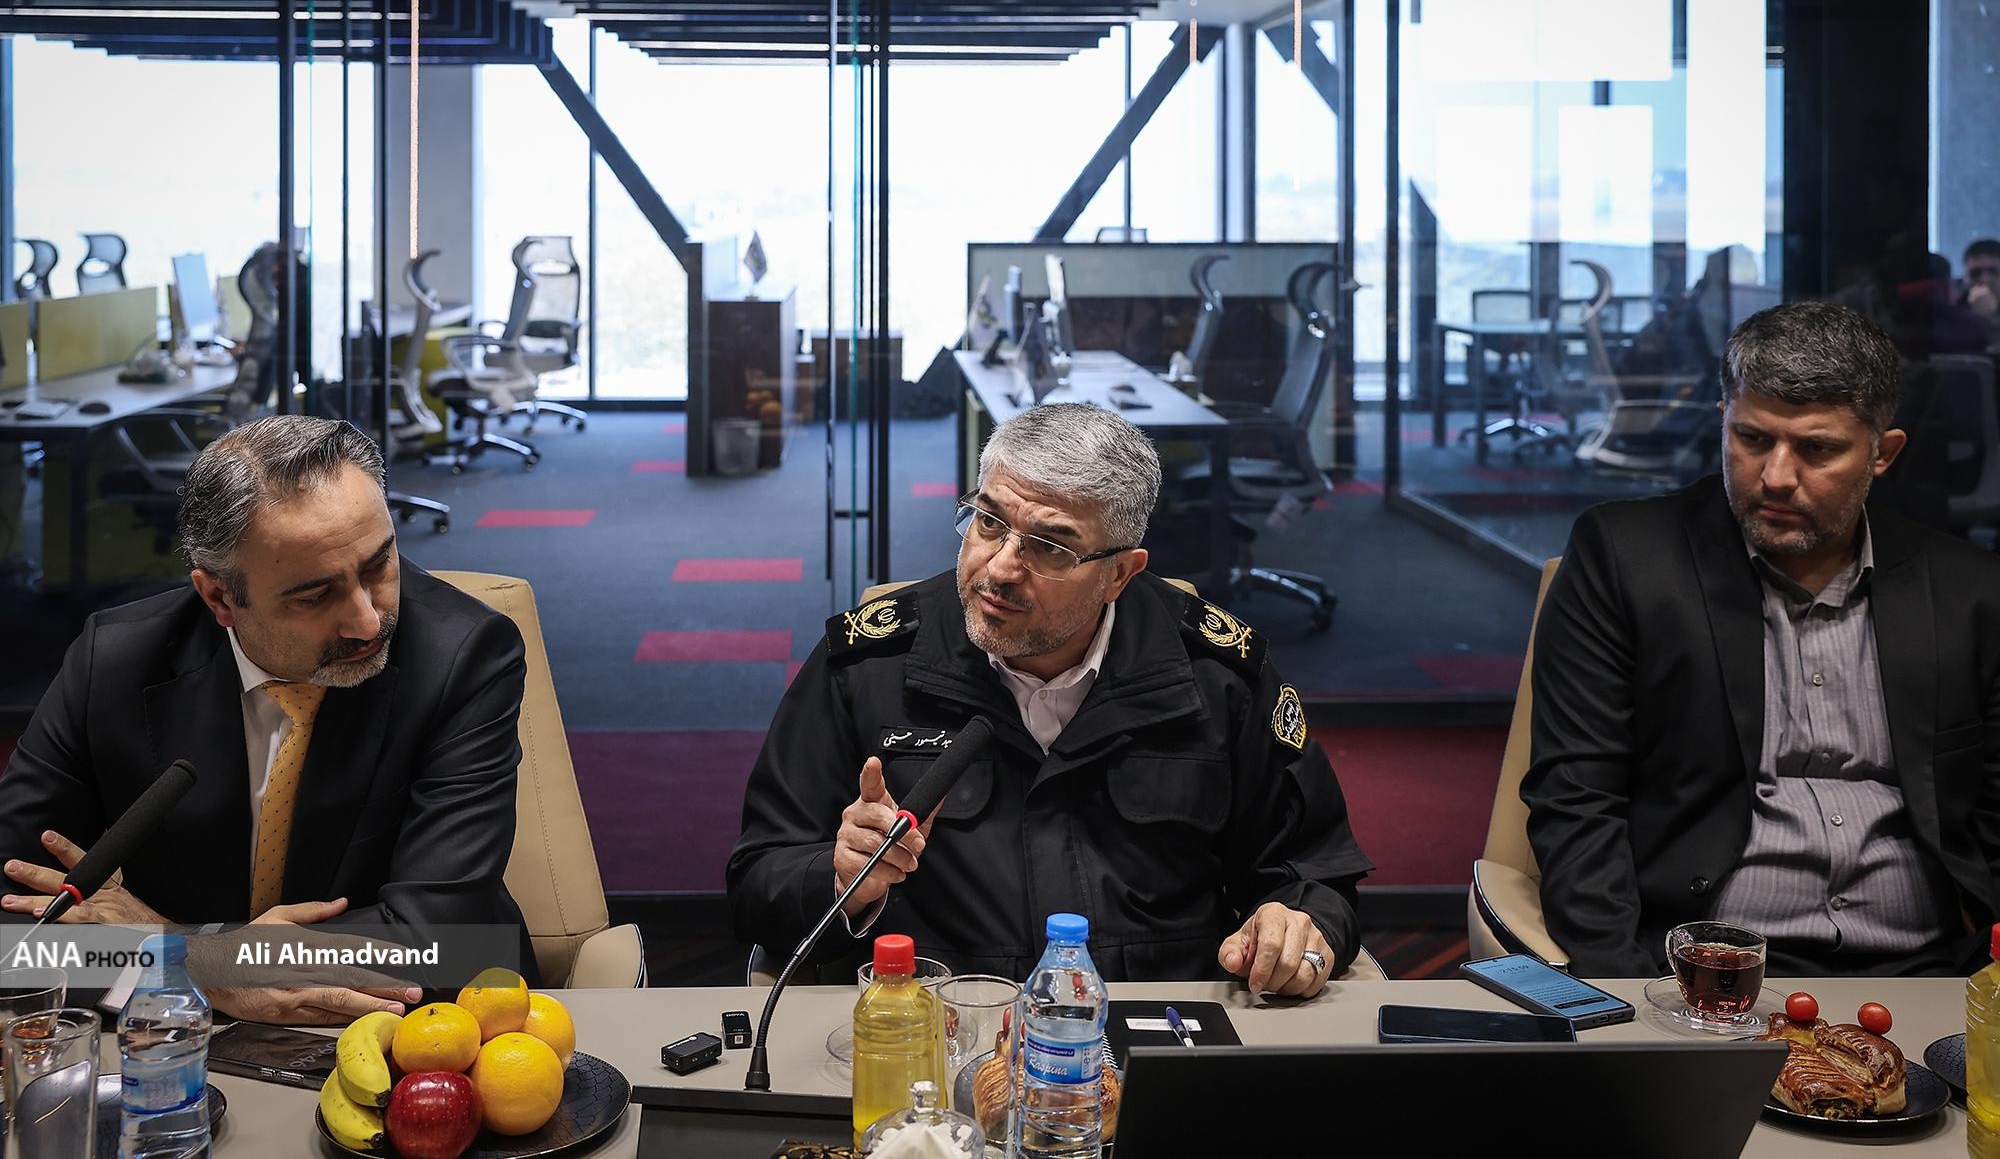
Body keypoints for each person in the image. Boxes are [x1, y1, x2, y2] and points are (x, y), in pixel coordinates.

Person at [729, 403, 1371, 995]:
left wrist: (1298, 928)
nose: (1000, 568)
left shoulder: (1217, 677)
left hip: (1153, 1029)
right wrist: (841, 879)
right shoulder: (869, 665)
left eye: (1050, 548)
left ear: (1119, 573)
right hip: (937, 1025)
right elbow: (760, 879)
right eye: (988, 523)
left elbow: (1313, 875)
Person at [0, 415, 532, 1022]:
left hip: (422, 1024)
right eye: (315, 596)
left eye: (379, 565)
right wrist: (191, 969)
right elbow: (13, 921)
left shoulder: (463, 654)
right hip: (174, 1035)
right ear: (219, 598)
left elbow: (436, 938)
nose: (367, 620)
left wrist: (192, 955)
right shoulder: (116, 663)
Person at [1524, 301, 2000, 978]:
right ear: (1724, 420)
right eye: (1751, 439)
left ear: (1883, 453)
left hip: (1930, 969)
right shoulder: (1626, 558)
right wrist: (1621, 989)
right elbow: (1577, 797)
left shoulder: (1969, 591)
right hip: (1702, 969)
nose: (1776, 476)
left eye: (1816, 449)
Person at [1964, 238, 2000, 317]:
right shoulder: (1953, 310)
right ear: (1965, 278)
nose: (1984, 279)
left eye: (1993, 272)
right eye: (1975, 273)